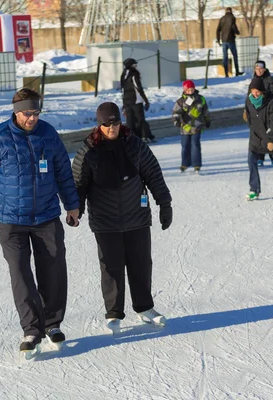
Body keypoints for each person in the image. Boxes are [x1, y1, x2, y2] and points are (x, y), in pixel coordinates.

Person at [0, 88, 81, 356]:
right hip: (10, 220)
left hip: (47, 216)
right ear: (16, 112)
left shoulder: (48, 134)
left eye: (36, 112)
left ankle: (52, 324)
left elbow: (63, 170)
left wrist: (72, 205)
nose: (33, 118)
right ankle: (31, 329)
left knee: (53, 270)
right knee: (20, 274)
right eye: (28, 113)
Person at [72, 102, 173, 333]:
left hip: (136, 215)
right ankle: (114, 313)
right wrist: (76, 210)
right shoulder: (88, 150)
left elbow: (153, 174)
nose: (111, 128)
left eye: (115, 122)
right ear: (99, 125)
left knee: (141, 264)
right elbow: (78, 183)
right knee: (111, 268)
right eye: (106, 124)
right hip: (105, 220)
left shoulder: (134, 145)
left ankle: (145, 308)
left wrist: (164, 203)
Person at [247, 60, 273, 167]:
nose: (258, 71)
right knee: (258, 135)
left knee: (270, 132)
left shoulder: (270, 80)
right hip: (257, 111)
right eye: (256, 69)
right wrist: (246, 110)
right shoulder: (254, 80)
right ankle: (260, 157)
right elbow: (249, 96)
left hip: (269, 110)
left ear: (265, 69)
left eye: (260, 69)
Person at [171, 80, 210, 173]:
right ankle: (185, 164)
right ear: (184, 90)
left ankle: (196, 165)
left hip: (197, 126)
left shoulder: (201, 99)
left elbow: (205, 111)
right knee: (185, 146)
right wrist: (176, 121)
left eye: (191, 89)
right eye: (188, 90)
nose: (190, 91)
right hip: (185, 127)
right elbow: (175, 112)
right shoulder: (181, 101)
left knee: (195, 145)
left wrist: (207, 120)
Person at [120, 58, 156, 143]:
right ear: (131, 65)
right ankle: (145, 136)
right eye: (134, 64)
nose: (136, 66)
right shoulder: (134, 74)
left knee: (130, 120)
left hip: (126, 100)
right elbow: (138, 87)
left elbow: (122, 89)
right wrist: (145, 100)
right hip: (136, 100)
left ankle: (130, 137)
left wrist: (124, 102)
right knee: (140, 119)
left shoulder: (123, 74)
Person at [216, 7, 244, 78]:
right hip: (231, 40)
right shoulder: (232, 17)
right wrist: (237, 32)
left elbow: (218, 30)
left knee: (225, 57)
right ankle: (237, 72)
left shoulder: (222, 19)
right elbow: (233, 26)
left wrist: (218, 40)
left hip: (224, 41)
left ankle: (226, 73)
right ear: (231, 11)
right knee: (235, 56)